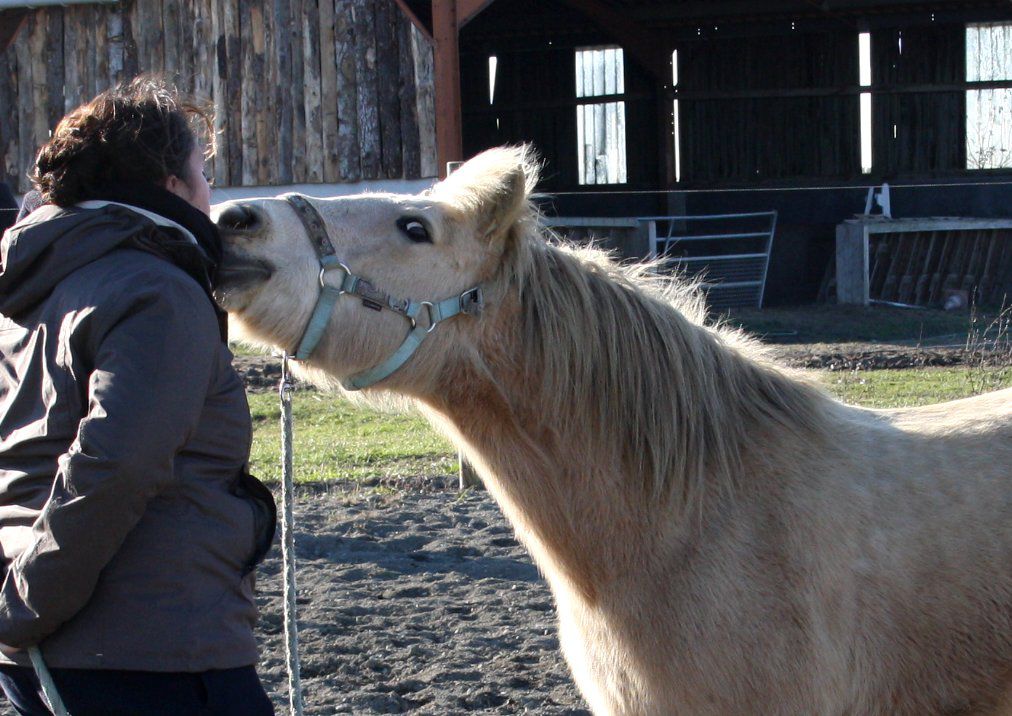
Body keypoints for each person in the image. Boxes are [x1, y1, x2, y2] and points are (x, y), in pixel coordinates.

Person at [0, 76, 276, 715]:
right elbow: (116, 465)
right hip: (151, 654)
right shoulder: (156, 292)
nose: (210, 191)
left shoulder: (35, 290)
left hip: (52, 656)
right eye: (203, 172)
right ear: (171, 185)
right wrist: (25, 608)